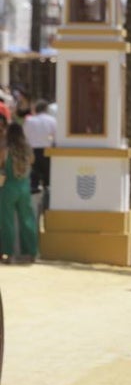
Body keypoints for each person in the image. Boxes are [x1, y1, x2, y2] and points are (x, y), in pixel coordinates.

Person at [0, 122, 37, 263]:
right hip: (24, 187)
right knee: (27, 220)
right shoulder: (27, 148)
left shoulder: (5, 148)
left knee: (7, 221)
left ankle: (8, 254)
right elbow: (32, 162)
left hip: (8, 187)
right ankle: (31, 252)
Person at [22, 99, 56, 196]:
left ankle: (35, 196)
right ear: (46, 109)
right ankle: (47, 197)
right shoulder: (52, 120)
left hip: (32, 150)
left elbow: (25, 135)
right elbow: (55, 136)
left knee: (34, 176)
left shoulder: (29, 120)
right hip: (47, 150)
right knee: (48, 177)